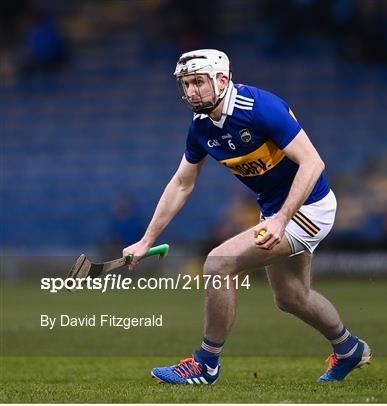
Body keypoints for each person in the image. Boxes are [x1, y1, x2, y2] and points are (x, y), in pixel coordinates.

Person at [123, 49, 372, 384]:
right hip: (275, 212)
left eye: (199, 81)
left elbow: (313, 163)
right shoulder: (200, 127)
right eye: (187, 83)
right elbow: (182, 182)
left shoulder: (260, 108)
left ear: (222, 80)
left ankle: (205, 364)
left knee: (217, 263)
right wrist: (146, 240)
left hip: (309, 209)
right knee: (291, 297)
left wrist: (282, 219)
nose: (192, 90)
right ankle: (349, 349)